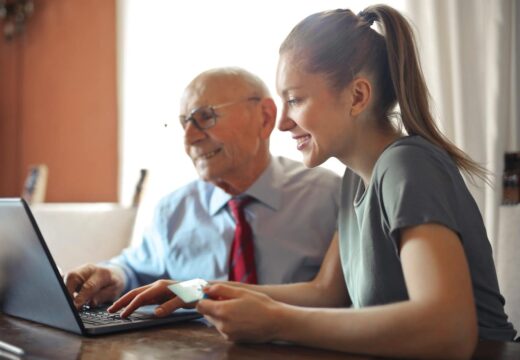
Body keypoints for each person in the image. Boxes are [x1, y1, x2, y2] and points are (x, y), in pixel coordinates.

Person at [109, 5, 517, 359]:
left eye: (295, 100)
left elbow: (449, 332)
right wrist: (195, 291)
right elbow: (327, 292)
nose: (283, 122)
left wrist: (276, 323)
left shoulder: (407, 166)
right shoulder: (355, 180)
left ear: (357, 97)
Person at [65, 67, 341, 310]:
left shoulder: (329, 196)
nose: (189, 138)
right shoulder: (173, 209)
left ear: (265, 117)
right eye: (185, 123)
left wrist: (196, 291)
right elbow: (135, 270)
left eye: (205, 117)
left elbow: (338, 297)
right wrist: (112, 276)